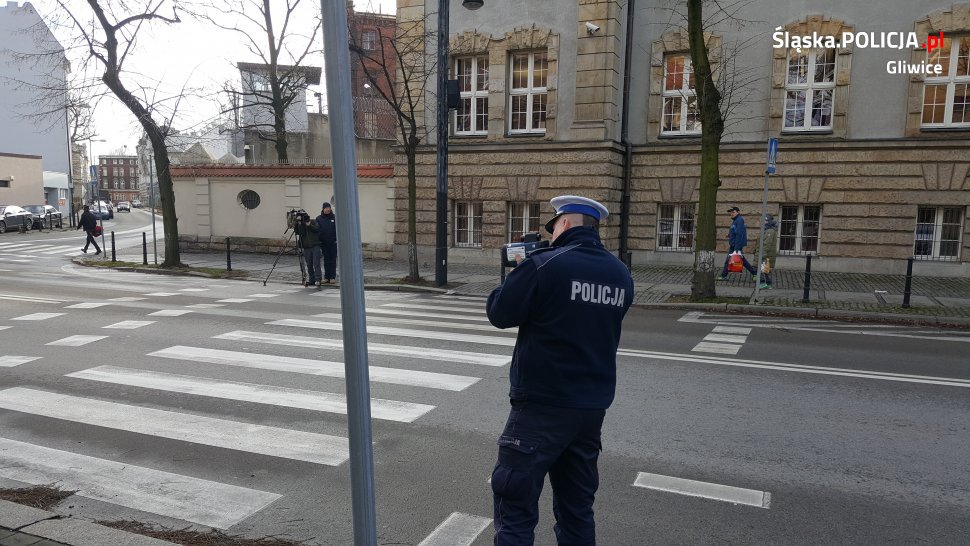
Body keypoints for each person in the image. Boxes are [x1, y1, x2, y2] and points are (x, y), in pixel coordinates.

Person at [486, 195, 634, 545]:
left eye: (552, 228)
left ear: (565, 223)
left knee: (515, 508)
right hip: (590, 411)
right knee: (577, 510)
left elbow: (500, 312)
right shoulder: (620, 275)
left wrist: (517, 270)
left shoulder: (544, 265)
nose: (550, 235)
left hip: (540, 408)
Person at [719, 206, 758, 280]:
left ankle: (723, 275)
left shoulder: (739, 220)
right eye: (730, 212)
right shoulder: (735, 220)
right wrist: (730, 235)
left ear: (738, 212)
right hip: (734, 244)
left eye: (733, 212)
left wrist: (736, 248)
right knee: (742, 260)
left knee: (729, 260)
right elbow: (735, 231)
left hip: (736, 245)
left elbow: (739, 234)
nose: (731, 214)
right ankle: (754, 273)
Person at [755, 213, 778, 289]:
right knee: (765, 270)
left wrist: (762, 255)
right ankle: (768, 284)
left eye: (764, 220)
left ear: (768, 221)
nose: (763, 222)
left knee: (761, 269)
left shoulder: (770, 231)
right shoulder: (767, 230)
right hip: (765, 254)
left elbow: (766, 244)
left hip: (765, 254)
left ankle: (762, 283)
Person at [300, 213, 322, 289]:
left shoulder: (313, 221)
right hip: (306, 247)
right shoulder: (301, 225)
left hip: (315, 246)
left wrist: (309, 225)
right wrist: (298, 224)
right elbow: (299, 232)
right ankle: (312, 279)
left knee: (316, 263)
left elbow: (317, 229)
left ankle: (318, 279)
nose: (305, 219)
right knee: (309, 264)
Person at [316, 202, 337, 284]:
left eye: (329, 208)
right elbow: (317, 230)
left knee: (332, 260)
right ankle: (326, 277)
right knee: (326, 260)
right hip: (324, 243)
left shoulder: (335, 218)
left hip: (333, 243)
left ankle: (332, 277)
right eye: (326, 208)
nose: (328, 209)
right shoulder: (319, 219)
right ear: (323, 209)